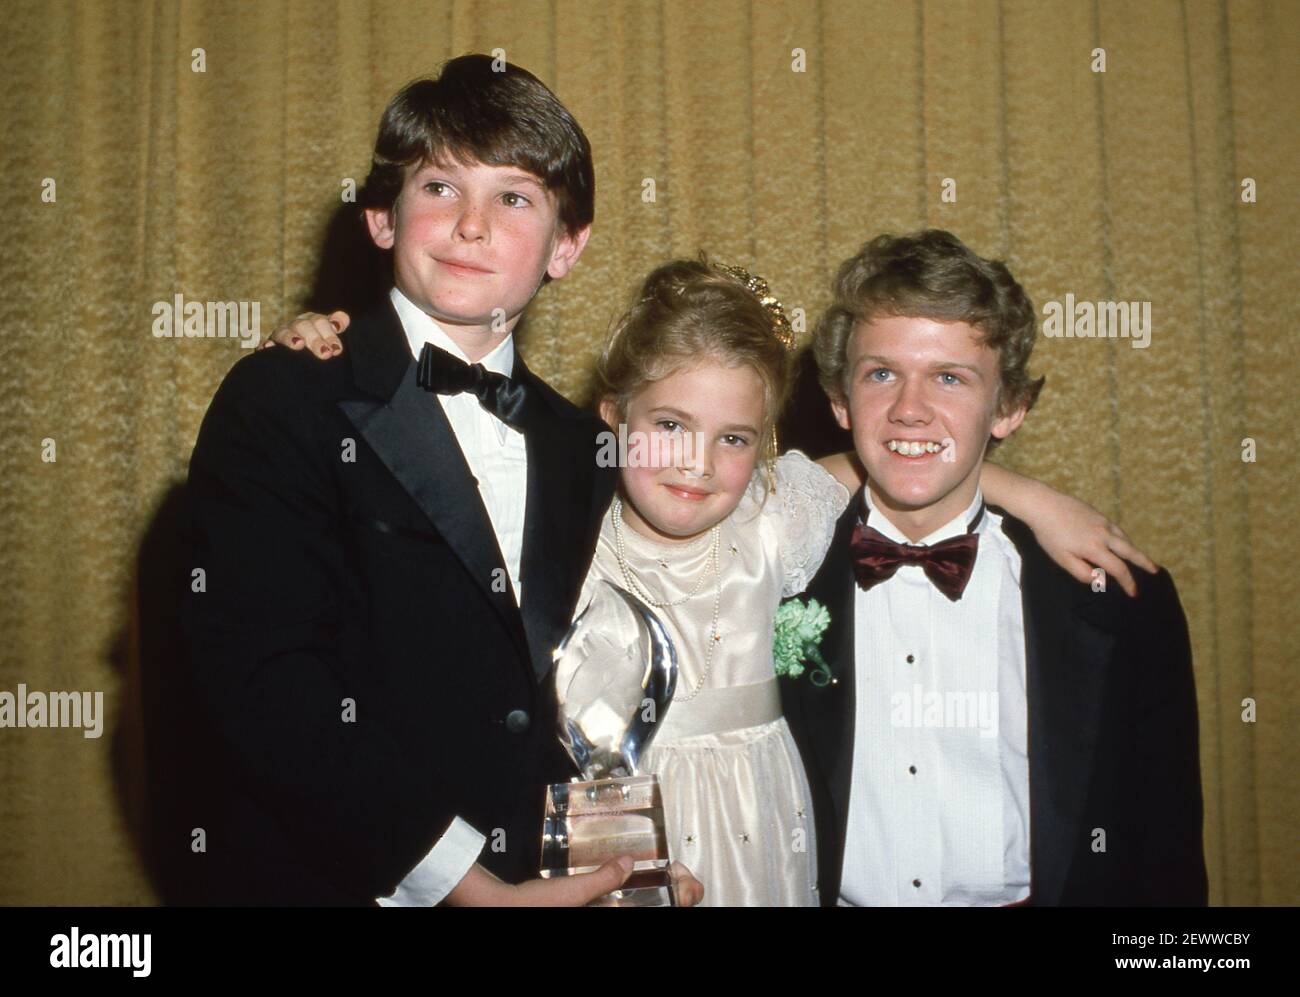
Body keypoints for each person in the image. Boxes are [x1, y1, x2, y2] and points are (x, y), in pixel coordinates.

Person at [271, 256, 1161, 905]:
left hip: (766, 841)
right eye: (667, 425)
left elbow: (885, 460)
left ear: (763, 449)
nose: (697, 464)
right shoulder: (556, 524)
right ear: (612, 420)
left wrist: (1032, 497)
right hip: (610, 846)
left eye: (734, 439)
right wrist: (343, 344)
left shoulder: (773, 519)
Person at [183, 53, 703, 906]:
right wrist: (469, 887)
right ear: (383, 218)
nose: (471, 225)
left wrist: (616, 869)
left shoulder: (585, 445)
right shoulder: (284, 394)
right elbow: (265, 680)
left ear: (567, 246)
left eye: (513, 197)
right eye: (439, 188)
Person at [781, 229, 1207, 906]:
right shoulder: (773, 568)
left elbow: (1165, 864)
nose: (910, 407)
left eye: (950, 377)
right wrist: (1027, 491)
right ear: (840, 401)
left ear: (1008, 407)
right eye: (881, 373)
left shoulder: (1120, 600)